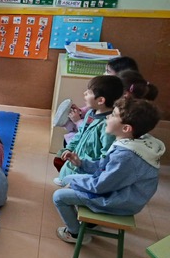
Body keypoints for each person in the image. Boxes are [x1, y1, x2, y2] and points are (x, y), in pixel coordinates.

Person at [53, 97, 165, 243]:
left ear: (126, 128)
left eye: (113, 115)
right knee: (69, 180)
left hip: (120, 201)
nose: (107, 117)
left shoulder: (126, 156)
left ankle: (74, 233)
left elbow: (101, 185)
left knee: (59, 196)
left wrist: (74, 182)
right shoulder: (131, 142)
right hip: (120, 192)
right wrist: (81, 163)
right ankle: (89, 220)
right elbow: (105, 166)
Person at [54, 75, 124, 185]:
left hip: (87, 167)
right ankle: (65, 179)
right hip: (77, 157)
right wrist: (69, 149)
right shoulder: (91, 113)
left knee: (74, 186)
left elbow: (106, 156)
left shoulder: (108, 125)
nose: (84, 93)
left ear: (100, 100)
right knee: (65, 172)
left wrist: (88, 165)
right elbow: (80, 133)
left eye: (89, 92)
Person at [56, 55, 139, 144]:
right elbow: (92, 110)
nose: (104, 73)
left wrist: (78, 121)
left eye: (108, 71)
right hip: (85, 131)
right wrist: (80, 112)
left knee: (69, 140)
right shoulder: (104, 102)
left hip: (89, 139)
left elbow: (92, 132)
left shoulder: (115, 109)